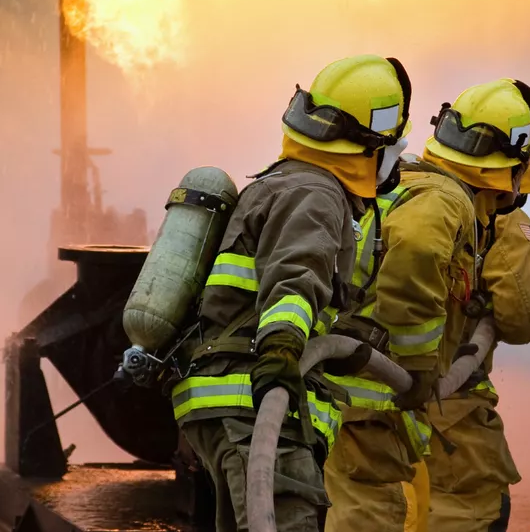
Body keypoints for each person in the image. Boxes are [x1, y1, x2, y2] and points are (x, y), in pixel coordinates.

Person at [170, 54, 413, 532]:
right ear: (369, 148)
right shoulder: (317, 194)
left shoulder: (281, 182)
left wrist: (341, 339)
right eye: (391, 149)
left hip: (229, 396)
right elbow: (294, 279)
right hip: (257, 403)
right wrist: (284, 347)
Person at [324, 78, 530, 532]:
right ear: (514, 161)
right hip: (435, 403)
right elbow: (524, 318)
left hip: (346, 396)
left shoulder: (388, 185)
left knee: (358, 509)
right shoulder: (478, 213)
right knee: (456, 505)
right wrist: (419, 360)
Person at [422, 147, 530, 532]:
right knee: (469, 509)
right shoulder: (504, 223)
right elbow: (525, 318)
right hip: (450, 421)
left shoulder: (397, 194)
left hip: (357, 415)